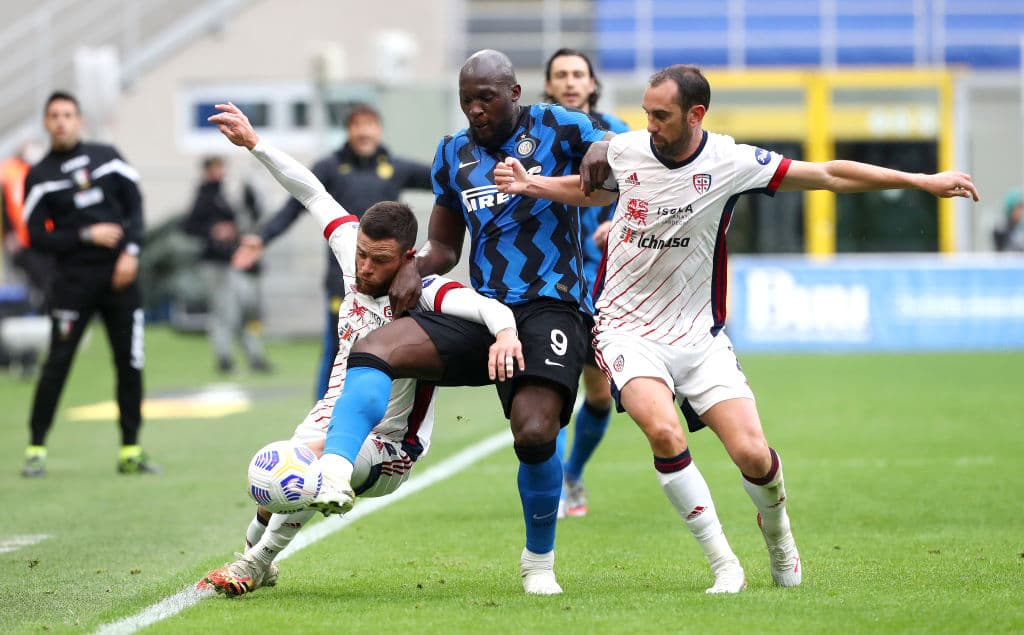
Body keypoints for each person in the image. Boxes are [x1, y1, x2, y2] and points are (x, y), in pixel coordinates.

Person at [494, 63, 979, 593]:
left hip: (699, 334)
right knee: (663, 431)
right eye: (646, 114)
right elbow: (593, 191)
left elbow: (828, 175)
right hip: (625, 328)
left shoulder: (730, 160)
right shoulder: (627, 150)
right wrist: (533, 184)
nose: (649, 125)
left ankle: (780, 538)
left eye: (661, 116)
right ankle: (724, 564)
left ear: (696, 115)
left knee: (752, 454)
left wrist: (921, 181)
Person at [306, 49, 613, 596]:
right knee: (377, 345)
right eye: (466, 100)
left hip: (551, 305)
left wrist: (600, 148)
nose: (475, 109)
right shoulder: (453, 154)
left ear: (514, 94)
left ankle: (538, 563)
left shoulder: (553, 123)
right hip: (485, 305)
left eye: (486, 98)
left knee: (535, 431)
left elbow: (606, 137)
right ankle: (334, 468)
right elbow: (446, 245)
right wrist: (414, 267)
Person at [197, 102, 521, 596]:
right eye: (362, 256)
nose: (365, 268)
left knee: (300, 469)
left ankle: (253, 562)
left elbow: (486, 308)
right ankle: (258, 556)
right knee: (271, 490)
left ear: (406, 259)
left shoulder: (426, 292)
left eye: (380, 261)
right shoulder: (352, 247)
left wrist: (506, 334)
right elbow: (311, 191)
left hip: (392, 446)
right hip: (330, 414)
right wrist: (256, 143)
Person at [232, 102, 432, 398]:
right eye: (357, 125)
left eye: (370, 125)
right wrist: (262, 238)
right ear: (348, 130)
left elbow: (443, 180)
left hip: (389, 283)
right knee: (338, 347)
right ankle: (321, 414)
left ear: (379, 130)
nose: (364, 132)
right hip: (342, 278)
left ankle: (380, 417)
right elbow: (296, 204)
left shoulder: (395, 167)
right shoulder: (330, 167)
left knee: (389, 347)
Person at [20, 91, 158, 477]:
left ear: (79, 120)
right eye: (54, 116)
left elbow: (136, 208)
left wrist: (130, 251)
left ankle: (130, 449)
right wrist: (86, 234)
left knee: (130, 362)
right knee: (58, 363)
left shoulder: (107, 157)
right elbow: (34, 236)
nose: (61, 121)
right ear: (46, 124)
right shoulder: (40, 175)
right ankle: (36, 448)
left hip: (121, 280)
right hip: (73, 284)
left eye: (68, 114)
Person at [543, 47, 630, 519]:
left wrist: (619, 221)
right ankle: (553, 485)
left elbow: (648, 186)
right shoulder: (537, 135)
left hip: (603, 280)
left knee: (598, 393)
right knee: (554, 386)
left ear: (593, 84)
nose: (571, 81)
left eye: (579, 74)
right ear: (549, 86)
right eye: (562, 75)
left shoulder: (616, 132)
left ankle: (573, 473)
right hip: (550, 280)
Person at [183, 156, 270, 374]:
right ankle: (224, 358)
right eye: (214, 169)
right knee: (224, 311)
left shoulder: (229, 193)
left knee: (247, 308)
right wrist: (214, 230)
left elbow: (251, 213)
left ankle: (254, 356)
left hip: (235, 261)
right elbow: (189, 225)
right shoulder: (204, 195)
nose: (219, 173)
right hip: (215, 263)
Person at [993, 187, 1023, 252]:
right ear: (1011, 208)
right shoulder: (1001, 228)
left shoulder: (1020, 226)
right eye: (1019, 208)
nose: (1021, 212)